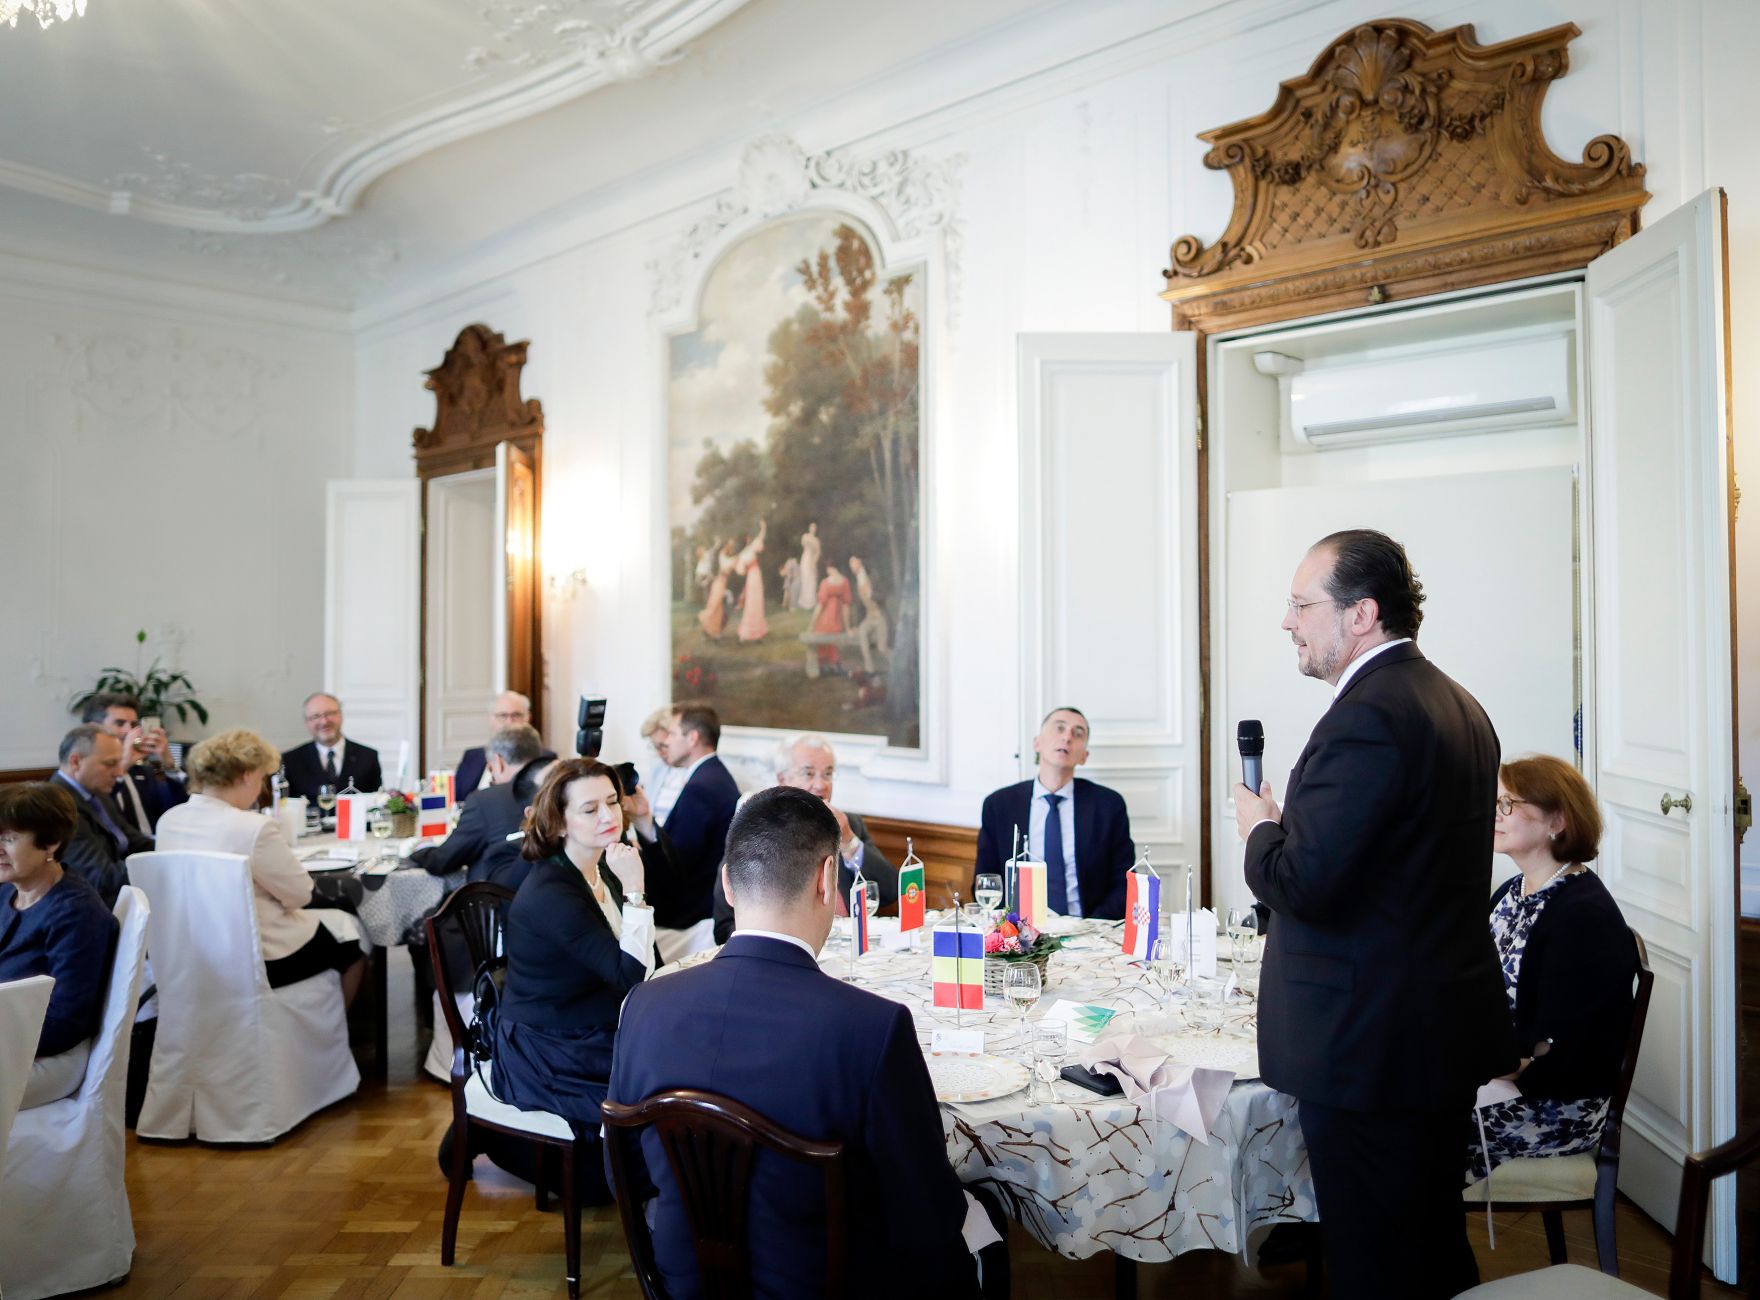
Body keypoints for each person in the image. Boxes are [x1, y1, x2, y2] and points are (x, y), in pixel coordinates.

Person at [1233, 529, 1514, 1299]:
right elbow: (1392, 867)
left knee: (1373, 1263)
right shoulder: (1461, 705)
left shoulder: (1367, 715)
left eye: (1300, 605)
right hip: (1431, 1033)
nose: (1287, 622)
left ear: (1361, 615)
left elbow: (1300, 881)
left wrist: (1258, 826)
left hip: (1369, 1047)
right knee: (1427, 1243)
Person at [607, 786, 1004, 1299]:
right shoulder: (871, 1026)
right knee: (981, 1221)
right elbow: (925, 1215)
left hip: (687, 1280)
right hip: (828, 1283)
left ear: (727, 884)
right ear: (825, 880)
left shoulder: (644, 1005)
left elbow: (624, 1178)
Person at [1467, 755, 1639, 1184]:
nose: (1495, 813)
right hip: (1502, 1074)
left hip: (1553, 1103)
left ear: (1557, 822)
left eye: (1509, 804)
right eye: (1496, 801)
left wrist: (1457, 1063)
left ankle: (1397, 1244)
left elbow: (1545, 1049)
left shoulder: (1582, 915)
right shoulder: (1513, 892)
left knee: (1399, 1126)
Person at [491, 759, 656, 1151]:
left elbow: (648, 963)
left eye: (613, 802)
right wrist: (636, 892)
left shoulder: (605, 865)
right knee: (667, 1072)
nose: (608, 816)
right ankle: (654, 1187)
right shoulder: (553, 893)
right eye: (590, 809)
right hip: (552, 1046)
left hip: (594, 1017)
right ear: (560, 822)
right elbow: (630, 974)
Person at [155, 730, 367, 1005]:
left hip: (191, 951)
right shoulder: (252, 828)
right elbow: (301, 895)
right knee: (352, 945)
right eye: (262, 778)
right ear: (246, 775)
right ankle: (335, 1039)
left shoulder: (169, 821)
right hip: (257, 954)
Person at [710, 733, 898, 943]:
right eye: (808, 774)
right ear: (782, 780)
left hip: (852, 952)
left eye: (827, 774)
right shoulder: (757, 830)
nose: (820, 785)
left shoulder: (849, 824)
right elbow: (725, 924)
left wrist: (849, 842)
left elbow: (890, 891)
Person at [0, 782, 119, 1108]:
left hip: (46, 1056)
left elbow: (66, 1021)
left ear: (51, 843)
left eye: (8, 838)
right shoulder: (8, 890)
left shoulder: (75, 911)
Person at [972, 707, 1134, 919]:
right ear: (1037, 743)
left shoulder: (1108, 806)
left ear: (1084, 756)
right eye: (1059, 728)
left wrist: (1089, 927)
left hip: (1089, 931)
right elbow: (986, 881)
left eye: (1077, 734)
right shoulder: (1000, 805)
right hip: (1019, 934)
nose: (1067, 737)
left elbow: (1124, 885)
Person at [629, 704, 739, 956]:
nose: (666, 741)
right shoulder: (712, 775)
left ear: (692, 738)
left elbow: (676, 864)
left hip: (690, 913)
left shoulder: (702, 787)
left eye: (672, 734)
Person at [412, 726, 552, 888]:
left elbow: (442, 861)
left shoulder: (485, 800)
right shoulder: (559, 791)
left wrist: (422, 848)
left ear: (498, 763)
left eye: (490, 769)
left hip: (500, 899)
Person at [52, 724, 153, 908]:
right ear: (76, 762)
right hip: (90, 907)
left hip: (122, 894)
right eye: (110, 764)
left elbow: (132, 840)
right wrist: (163, 867)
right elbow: (101, 877)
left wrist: (174, 850)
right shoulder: (58, 805)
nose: (119, 772)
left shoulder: (97, 792)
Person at [80, 692, 188, 833]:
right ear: (94, 728)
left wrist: (168, 764)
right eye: (119, 723)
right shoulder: (88, 775)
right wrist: (122, 766)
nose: (129, 730)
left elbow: (179, 807)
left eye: (134, 724)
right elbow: (101, 812)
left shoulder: (146, 771)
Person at [281, 693, 382, 803]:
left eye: (329, 713)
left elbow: (376, 803)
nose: (324, 721)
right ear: (306, 723)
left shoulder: (368, 757)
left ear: (341, 715)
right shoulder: (291, 760)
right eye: (315, 716)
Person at [453, 692, 534, 795]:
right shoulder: (472, 756)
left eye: (516, 715)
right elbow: (457, 798)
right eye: (503, 715)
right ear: (491, 720)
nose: (509, 722)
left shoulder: (543, 758)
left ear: (528, 718)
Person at [810, 564, 853, 670]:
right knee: (832, 637)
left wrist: (812, 624)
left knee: (820, 633)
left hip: (826, 619)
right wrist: (847, 627)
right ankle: (834, 663)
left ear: (830, 568)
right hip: (837, 620)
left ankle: (825, 665)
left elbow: (819, 606)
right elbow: (846, 606)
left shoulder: (825, 583)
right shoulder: (845, 581)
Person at [735, 521, 769, 643]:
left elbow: (760, 537)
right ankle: (745, 634)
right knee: (752, 603)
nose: (749, 539)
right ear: (745, 541)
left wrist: (763, 528)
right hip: (753, 575)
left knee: (756, 602)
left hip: (754, 575)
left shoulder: (746, 552)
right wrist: (763, 527)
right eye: (747, 538)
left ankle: (757, 634)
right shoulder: (745, 553)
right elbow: (740, 571)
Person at [697, 541, 737, 640]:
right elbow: (722, 552)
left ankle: (715, 631)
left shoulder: (730, 559)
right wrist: (728, 544)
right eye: (730, 548)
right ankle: (706, 628)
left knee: (718, 608)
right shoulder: (723, 557)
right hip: (718, 582)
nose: (732, 550)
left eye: (732, 548)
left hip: (721, 583)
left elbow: (734, 562)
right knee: (714, 606)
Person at [796, 521, 822, 611]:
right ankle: (804, 602)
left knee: (812, 579)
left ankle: (811, 602)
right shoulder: (805, 536)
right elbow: (804, 543)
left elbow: (818, 552)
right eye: (811, 527)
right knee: (805, 578)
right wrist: (812, 543)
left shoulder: (817, 540)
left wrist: (814, 562)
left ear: (816, 529)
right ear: (809, 528)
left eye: (814, 528)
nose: (813, 529)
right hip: (806, 558)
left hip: (812, 560)